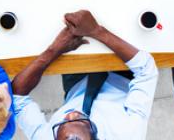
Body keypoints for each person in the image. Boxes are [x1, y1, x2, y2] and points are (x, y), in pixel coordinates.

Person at [11, 10, 158, 139]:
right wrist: (96, 30)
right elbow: (146, 70)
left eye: (63, 122)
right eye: (81, 120)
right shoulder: (128, 134)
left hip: (76, 80)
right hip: (123, 73)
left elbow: (17, 96)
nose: (72, 114)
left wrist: (55, 49)